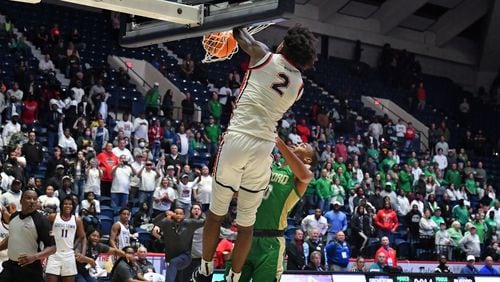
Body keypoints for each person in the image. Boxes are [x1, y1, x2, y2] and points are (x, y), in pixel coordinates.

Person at [193, 25, 317, 282]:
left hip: (238, 138)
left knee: (216, 214)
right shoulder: (300, 85)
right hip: (264, 147)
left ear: (285, 45)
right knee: (246, 224)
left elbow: (239, 35)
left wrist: (238, 18)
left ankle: (205, 269)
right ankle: (235, 277)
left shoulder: (264, 55)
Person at [225, 137, 314, 281]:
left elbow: (305, 176)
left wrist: (280, 143)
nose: (298, 143)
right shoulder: (269, 166)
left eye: (304, 145)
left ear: (308, 160)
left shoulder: (300, 175)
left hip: (271, 241)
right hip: (246, 236)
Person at [0, 189, 56, 281]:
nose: (32, 201)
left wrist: (35, 257)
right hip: (11, 266)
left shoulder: (42, 220)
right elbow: (12, 238)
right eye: (28, 198)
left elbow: (53, 248)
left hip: (30, 268)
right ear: (21, 200)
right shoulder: (14, 217)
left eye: (35, 199)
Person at [153, 207, 204, 282]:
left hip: (185, 257)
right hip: (171, 257)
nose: (178, 215)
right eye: (176, 213)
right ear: (173, 214)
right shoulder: (167, 222)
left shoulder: (190, 223)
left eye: (181, 214)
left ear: (184, 215)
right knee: (177, 277)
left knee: (173, 263)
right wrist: (164, 213)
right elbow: (155, 221)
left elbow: (205, 222)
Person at [45, 196, 86, 282]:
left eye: (70, 204)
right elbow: (43, 230)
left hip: (69, 254)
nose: (68, 206)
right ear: (61, 206)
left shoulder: (77, 220)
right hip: (54, 253)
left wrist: (83, 254)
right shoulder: (53, 217)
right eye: (65, 204)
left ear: (73, 206)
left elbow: (83, 237)